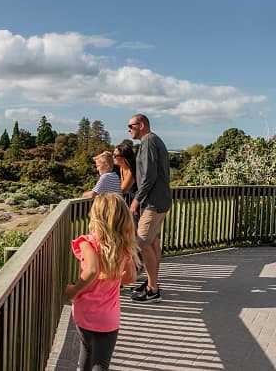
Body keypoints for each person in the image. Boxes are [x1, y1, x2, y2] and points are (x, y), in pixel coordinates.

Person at [63, 193, 139, 371]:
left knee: (86, 354)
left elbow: (91, 270)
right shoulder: (123, 247)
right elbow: (130, 277)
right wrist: (115, 274)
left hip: (84, 312)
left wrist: (73, 291)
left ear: (96, 216)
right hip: (108, 317)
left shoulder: (87, 242)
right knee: (101, 364)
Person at [127, 113, 172, 303]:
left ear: (142, 125)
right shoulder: (154, 141)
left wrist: (136, 200)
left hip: (153, 202)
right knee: (152, 243)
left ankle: (153, 290)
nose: (128, 129)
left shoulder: (148, 142)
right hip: (159, 200)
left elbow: (149, 177)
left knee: (141, 242)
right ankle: (153, 283)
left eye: (131, 125)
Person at [113, 143, 137, 209]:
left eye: (115, 155)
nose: (113, 157)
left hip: (136, 206)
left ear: (124, 157)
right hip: (128, 203)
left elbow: (122, 190)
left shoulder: (132, 170)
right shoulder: (122, 168)